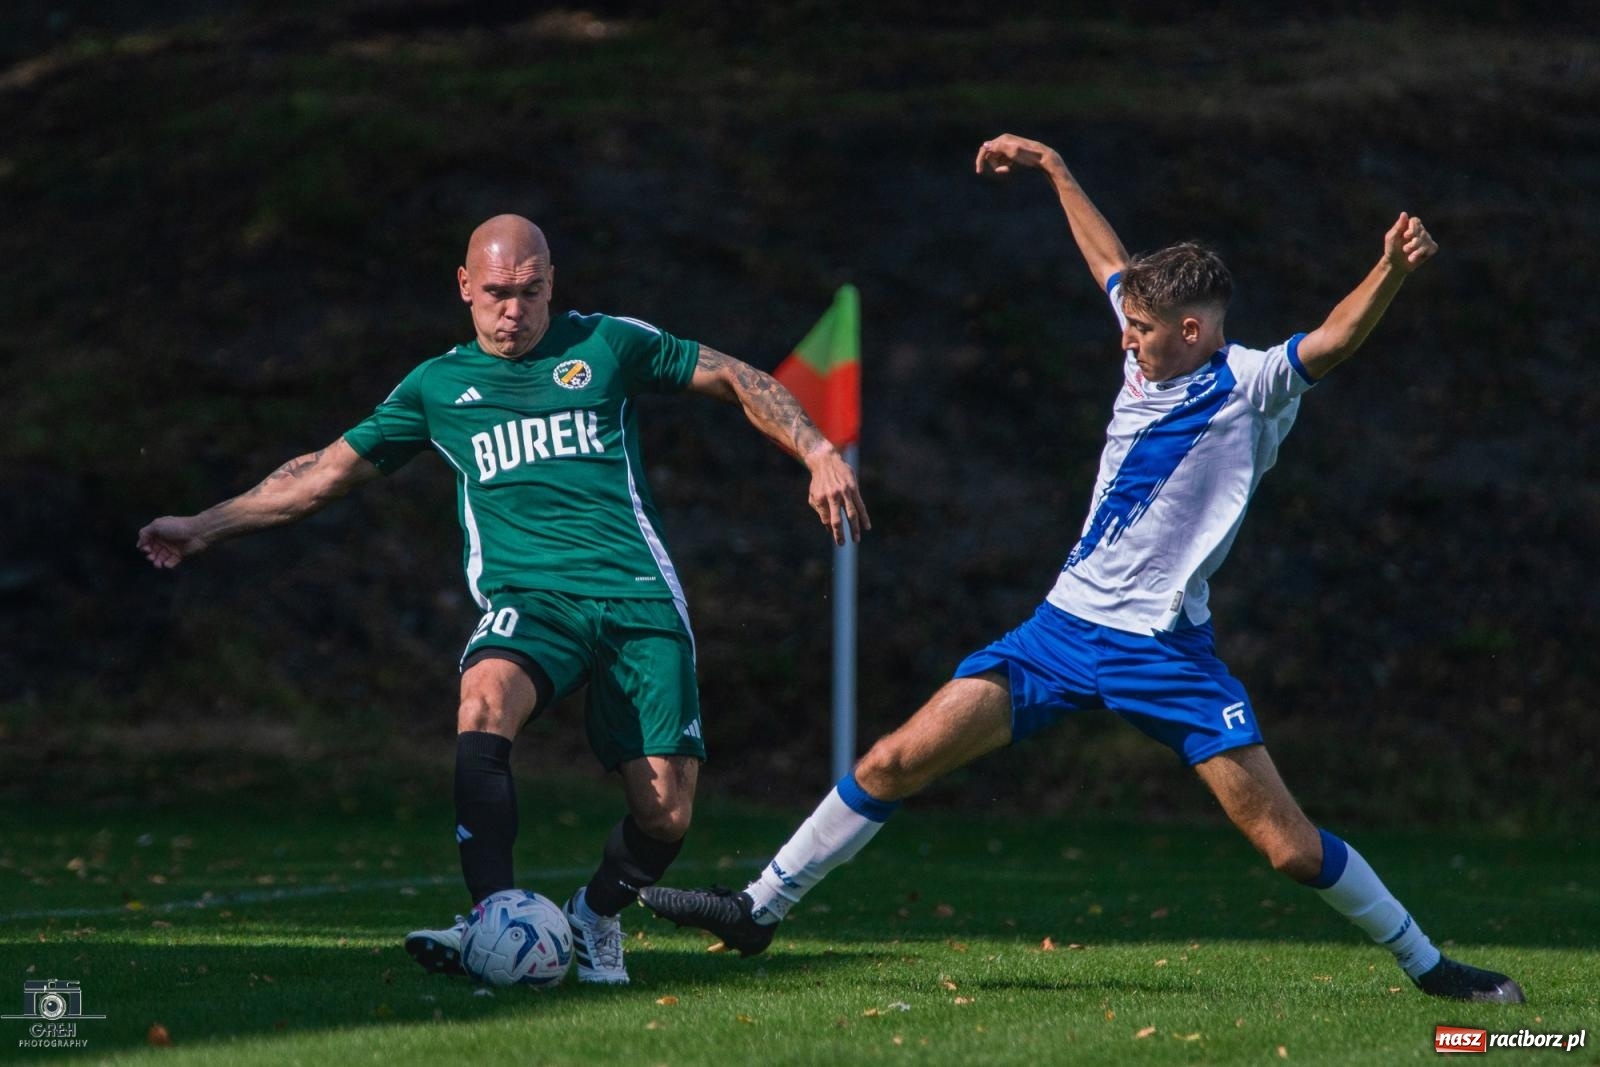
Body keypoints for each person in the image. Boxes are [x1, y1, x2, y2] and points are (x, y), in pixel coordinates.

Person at [640, 134, 1524, 1004]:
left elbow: (1332, 339)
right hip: (1058, 633)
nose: (1125, 340)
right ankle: (759, 906)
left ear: (1191, 329)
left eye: (1141, 329)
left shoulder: (1252, 383)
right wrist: (1055, 168)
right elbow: (1107, 258)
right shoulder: (1147, 350)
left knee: (1288, 849)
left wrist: (1393, 271)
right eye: (1127, 322)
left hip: (1166, 653)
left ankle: (1430, 966)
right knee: (895, 756)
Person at [137, 214, 870, 986]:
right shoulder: (437, 387)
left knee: (666, 814)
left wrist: (818, 450)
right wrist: (203, 526)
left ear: (552, 283)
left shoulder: (607, 345)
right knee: (483, 698)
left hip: (635, 593)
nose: (513, 310)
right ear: (464, 287)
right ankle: (493, 918)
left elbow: (732, 375)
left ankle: (593, 917)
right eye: (495, 294)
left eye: (529, 292)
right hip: (530, 598)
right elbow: (319, 472)